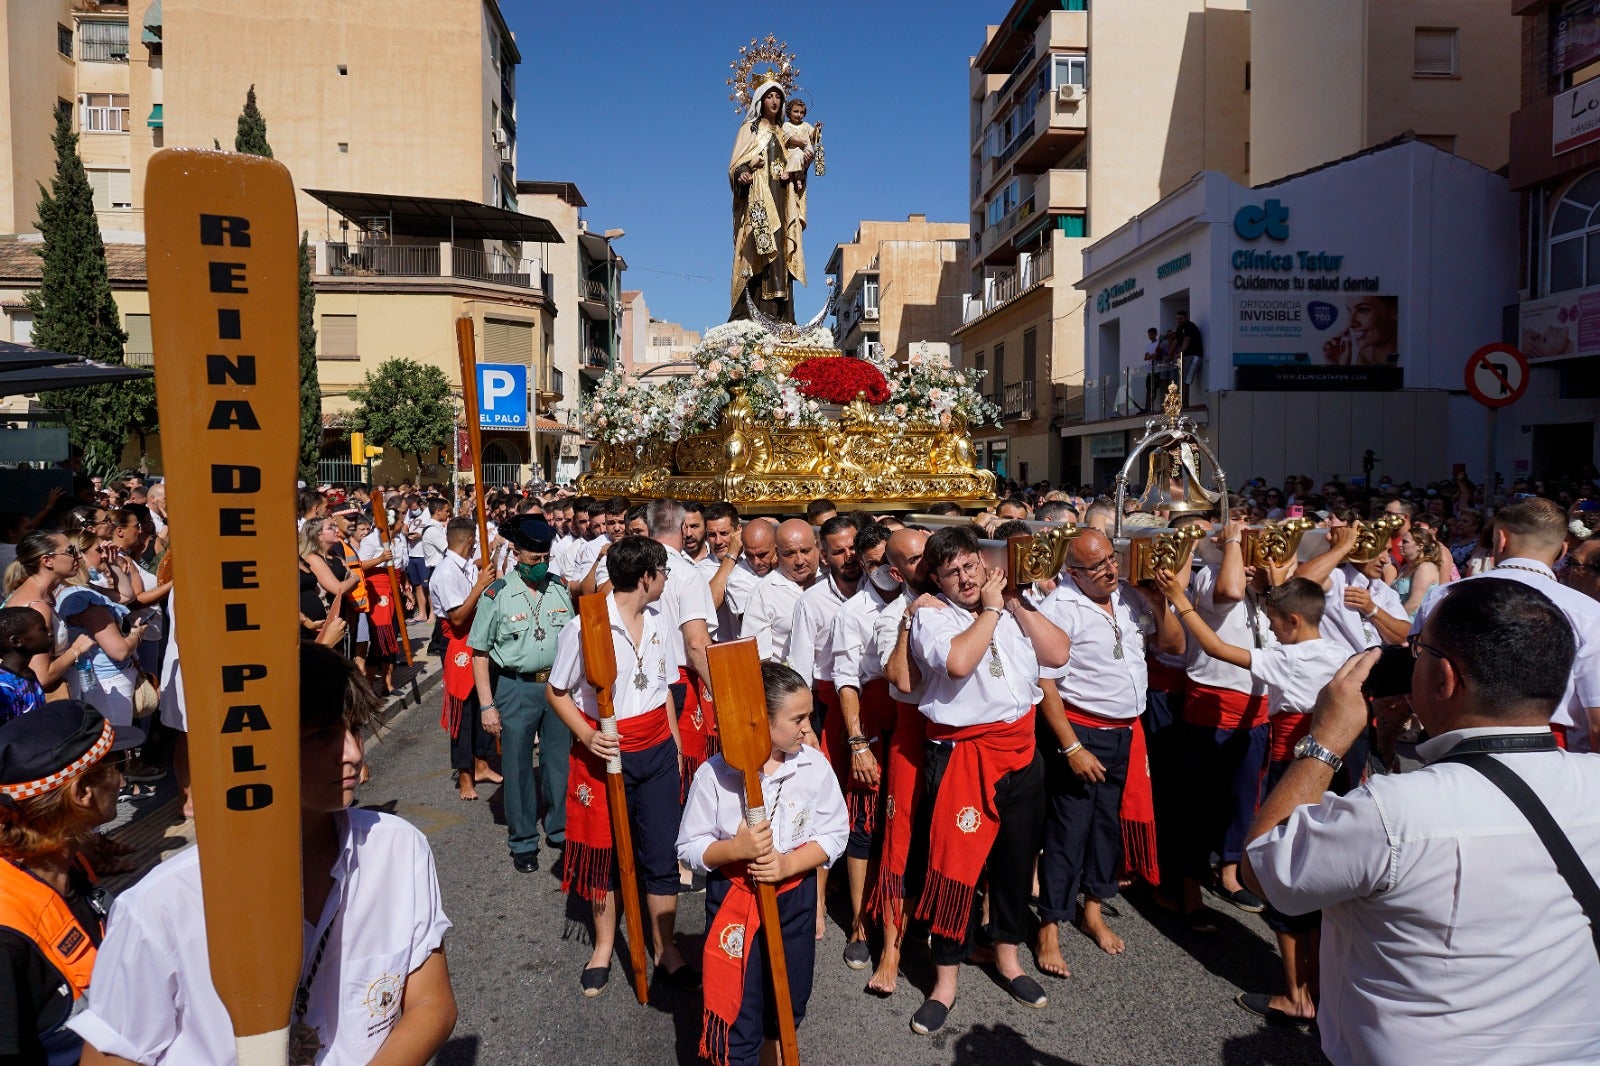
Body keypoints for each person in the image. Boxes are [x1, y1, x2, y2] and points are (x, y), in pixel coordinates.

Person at [1244, 580, 1600, 1064]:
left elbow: (1263, 869)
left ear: (1444, 679)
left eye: (1418, 649)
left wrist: (1324, 741)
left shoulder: (1393, 812)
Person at [75, 642, 458, 1065]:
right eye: (319, 736)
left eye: (354, 728)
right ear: (253, 752)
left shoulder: (398, 849)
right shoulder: (160, 907)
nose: (351, 753)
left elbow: (431, 1003)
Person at [1160, 573, 1350, 1027]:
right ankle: (1318, 986)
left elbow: (1219, 649)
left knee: (1282, 870)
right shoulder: (1342, 653)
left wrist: (1179, 602)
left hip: (1293, 765)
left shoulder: (1292, 659)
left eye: (1273, 622)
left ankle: (1294, 994)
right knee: (1320, 875)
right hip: (1334, 765)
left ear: (1292, 622)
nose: (1270, 629)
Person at [905, 526, 1070, 1035]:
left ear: (983, 562)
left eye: (969, 565)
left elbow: (1059, 654)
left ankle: (1007, 955)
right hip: (965, 757)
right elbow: (956, 663)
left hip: (1022, 751)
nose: (964, 578)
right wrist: (993, 611)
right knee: (954, 869)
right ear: (936, 578)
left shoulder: (1010, 604)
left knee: (1015, 862)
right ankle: (945, 980)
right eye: (951, 571)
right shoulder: (931, 615)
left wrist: (1015, 605)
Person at [677, 662, 847, 1066]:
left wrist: (788, 865)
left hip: (795, 901)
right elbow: (688, 846)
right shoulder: (715, 776)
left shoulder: (813, 765)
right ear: (760, 723)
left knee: (790, 1000)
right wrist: (734, 848)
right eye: (798, 719)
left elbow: (834, 832)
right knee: (740, 1013)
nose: (809, 728)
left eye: (810, 716)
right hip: (736, 900)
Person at [1033, 530, 1183, 979]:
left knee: (1106, 827)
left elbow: (1173, 646)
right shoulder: (1059, 608)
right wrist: (1072, 746)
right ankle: (1050, 923)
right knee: (1068, 830)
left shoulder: (1129, 598)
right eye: (1096, 567)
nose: (1109, 571)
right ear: (1072, 572)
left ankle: (1093, 906)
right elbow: (1045, 683)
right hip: (1082, 732)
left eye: (1111, 561)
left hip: (1126, 732)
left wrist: (1157, 600)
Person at [546, 536, 692, 995]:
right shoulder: (587, 626)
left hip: (656, 752)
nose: (666, 580)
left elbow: (666, 687)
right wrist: (587, 735)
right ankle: (605, 945)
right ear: (646, 577)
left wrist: (674, 742)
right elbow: (556, 691)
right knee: (606, 856)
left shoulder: (657, 621)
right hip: (606, 753)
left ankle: (663, 945)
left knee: (660, 851)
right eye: (663, 571)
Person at [0, 700, 137, 1064]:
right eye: (116, 766)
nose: (123, 779)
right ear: (81, 793)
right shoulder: (7, 932)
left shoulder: (68, 867)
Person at [1411, 497, 1600, 752]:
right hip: (1554, 755)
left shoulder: (1444, 596)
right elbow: (1596, 718)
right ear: (1563, 550)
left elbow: (1419, 679)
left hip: (1458, 744)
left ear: (1500, 540)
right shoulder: (1587, 611)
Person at [469, 518, 573, 874]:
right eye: (533, 560)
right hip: (515, 686)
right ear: (516, 555)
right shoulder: (497, 595)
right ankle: (524, 839)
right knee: (516, 765)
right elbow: (479, 654)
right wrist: (487, 705)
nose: (540, 565)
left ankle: (559, 828)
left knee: (558, 762)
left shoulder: (558, 588)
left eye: (545, 558)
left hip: (556, 687)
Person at [861, 527, 931, 995]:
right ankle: (891, 947)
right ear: (895, 571)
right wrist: (911, 620)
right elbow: (902, 679)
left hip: (960, 740)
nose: (927, 564)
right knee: (900, 841)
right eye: (915, 559)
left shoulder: (965, 603)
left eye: (932, 553)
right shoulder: (892, 616)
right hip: (912, 737)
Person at [430, 518, 501, 801]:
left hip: (477, 639)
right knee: (463, 711)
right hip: (457, 643)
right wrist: (480, 585)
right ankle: (464, 776)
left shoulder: (466, 566)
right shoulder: (447, 572)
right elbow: (457, 618)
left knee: (483, 702)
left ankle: (482, 764)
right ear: (469, 540)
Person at [729, 80, 806, 323]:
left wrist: (800, 169)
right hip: (758, 199)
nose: (775, 101)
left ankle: (781, 315)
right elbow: (735, 164)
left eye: (778, 97)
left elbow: (798, 159)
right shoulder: (749, 130)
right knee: (759, 248)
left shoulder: (785, 132)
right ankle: (754, 312)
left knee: (781, 250)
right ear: (760, 100)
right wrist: (744, 170)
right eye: (769, 96)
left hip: (782, 198)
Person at [1, 533, 96, 695]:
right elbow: (41, 676)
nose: (78, 556)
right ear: (47, 561)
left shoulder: (42, 595)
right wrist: (75, 650)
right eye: (70, 551)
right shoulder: (37, 607)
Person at [743, 520, 818, 664]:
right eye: (790, 554)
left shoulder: (832, 581)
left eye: (805, 551)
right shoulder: (763, 593)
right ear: (777, 553)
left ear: (817, 547)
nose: (799, 560)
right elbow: (756, 657)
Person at [0, 607, 51, 724]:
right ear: (17, 641)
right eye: (43, 629)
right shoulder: (4, 687)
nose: (50, 633)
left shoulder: (27, 673)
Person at [1395, 526, 1442, 617]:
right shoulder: (1405, 567)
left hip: (1411, 623)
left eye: (1405, 542)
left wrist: (1394, 623)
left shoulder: (1425, 567)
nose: (1399, 544)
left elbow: (1414, 604)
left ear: (1419, 547)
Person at [780, 97, 819, 194]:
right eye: (796, 111)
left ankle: (791, 173)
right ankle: (797, 179)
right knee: (797, 155)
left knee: (800, 156)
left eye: (801, 112)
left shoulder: (806, 125)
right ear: (789, 112)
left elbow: (814, 136)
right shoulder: (786, 125)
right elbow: (787, 137)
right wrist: (801, 141)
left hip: (806, 152)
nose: (799, 115)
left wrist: (817, 130)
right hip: (792, 152)